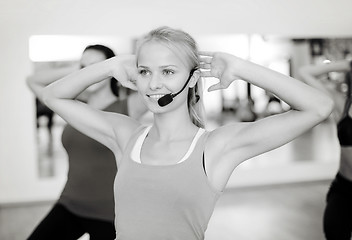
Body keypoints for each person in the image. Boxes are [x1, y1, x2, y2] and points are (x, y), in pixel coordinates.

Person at [40, 26, 333, 240]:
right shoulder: (126, 134)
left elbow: (319, 107)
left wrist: (240, 67)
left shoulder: (216, 147)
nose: (154, 84)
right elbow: (53, 97)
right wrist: (110, 65)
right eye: (144, 72)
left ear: (192, 79)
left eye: (168, 72)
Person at [26, 44, 146, 240]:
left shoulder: (129, 105)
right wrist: (83, 70)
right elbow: (32, 81)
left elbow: (158, 87)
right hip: (70, 203)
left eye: (95, 64)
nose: (88, 69)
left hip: (111, 212)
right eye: (84, 65)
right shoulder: (71, 106)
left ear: (110, 68)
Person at [299, 59, 352, 240]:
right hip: (343, 187)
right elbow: (305, 72)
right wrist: (346, 64)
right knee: (333, 232)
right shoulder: (342, 104)